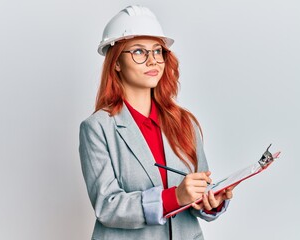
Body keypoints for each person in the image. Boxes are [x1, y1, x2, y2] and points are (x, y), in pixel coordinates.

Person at [79, 5, 235, 240]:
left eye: (157, 51)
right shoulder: (98, 128)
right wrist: (174, 197)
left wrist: (211, 202)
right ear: (116, 63)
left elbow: (200, 192)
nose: (152, 60)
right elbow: (107, 207)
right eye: (139, 52)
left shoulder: (184, 122)